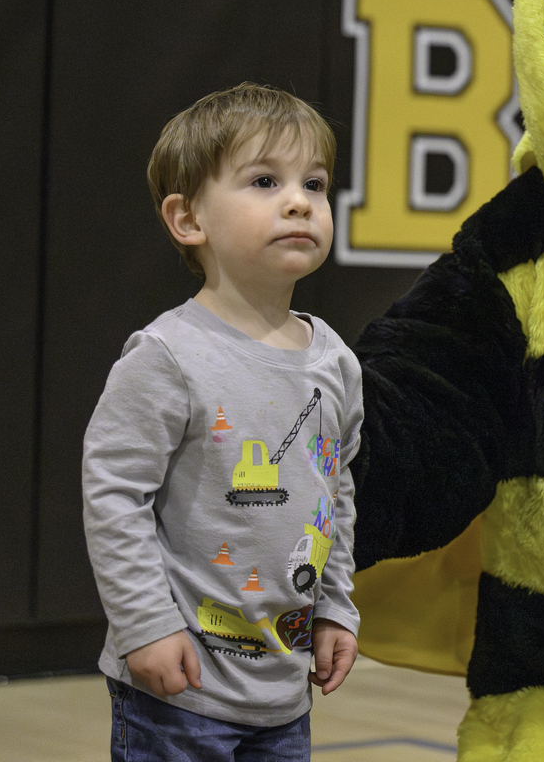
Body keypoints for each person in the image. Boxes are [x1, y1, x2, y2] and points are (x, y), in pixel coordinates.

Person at [82, 83, 362, 761]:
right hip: (179, 694)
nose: (300, 200)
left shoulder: (336, 361)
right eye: (265, 180)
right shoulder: (168, 356)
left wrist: (334, 607)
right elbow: (114, 492)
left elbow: (337, 494)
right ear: (187, 220)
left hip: (283, 693)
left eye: (315, 183)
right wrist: (144, 624)